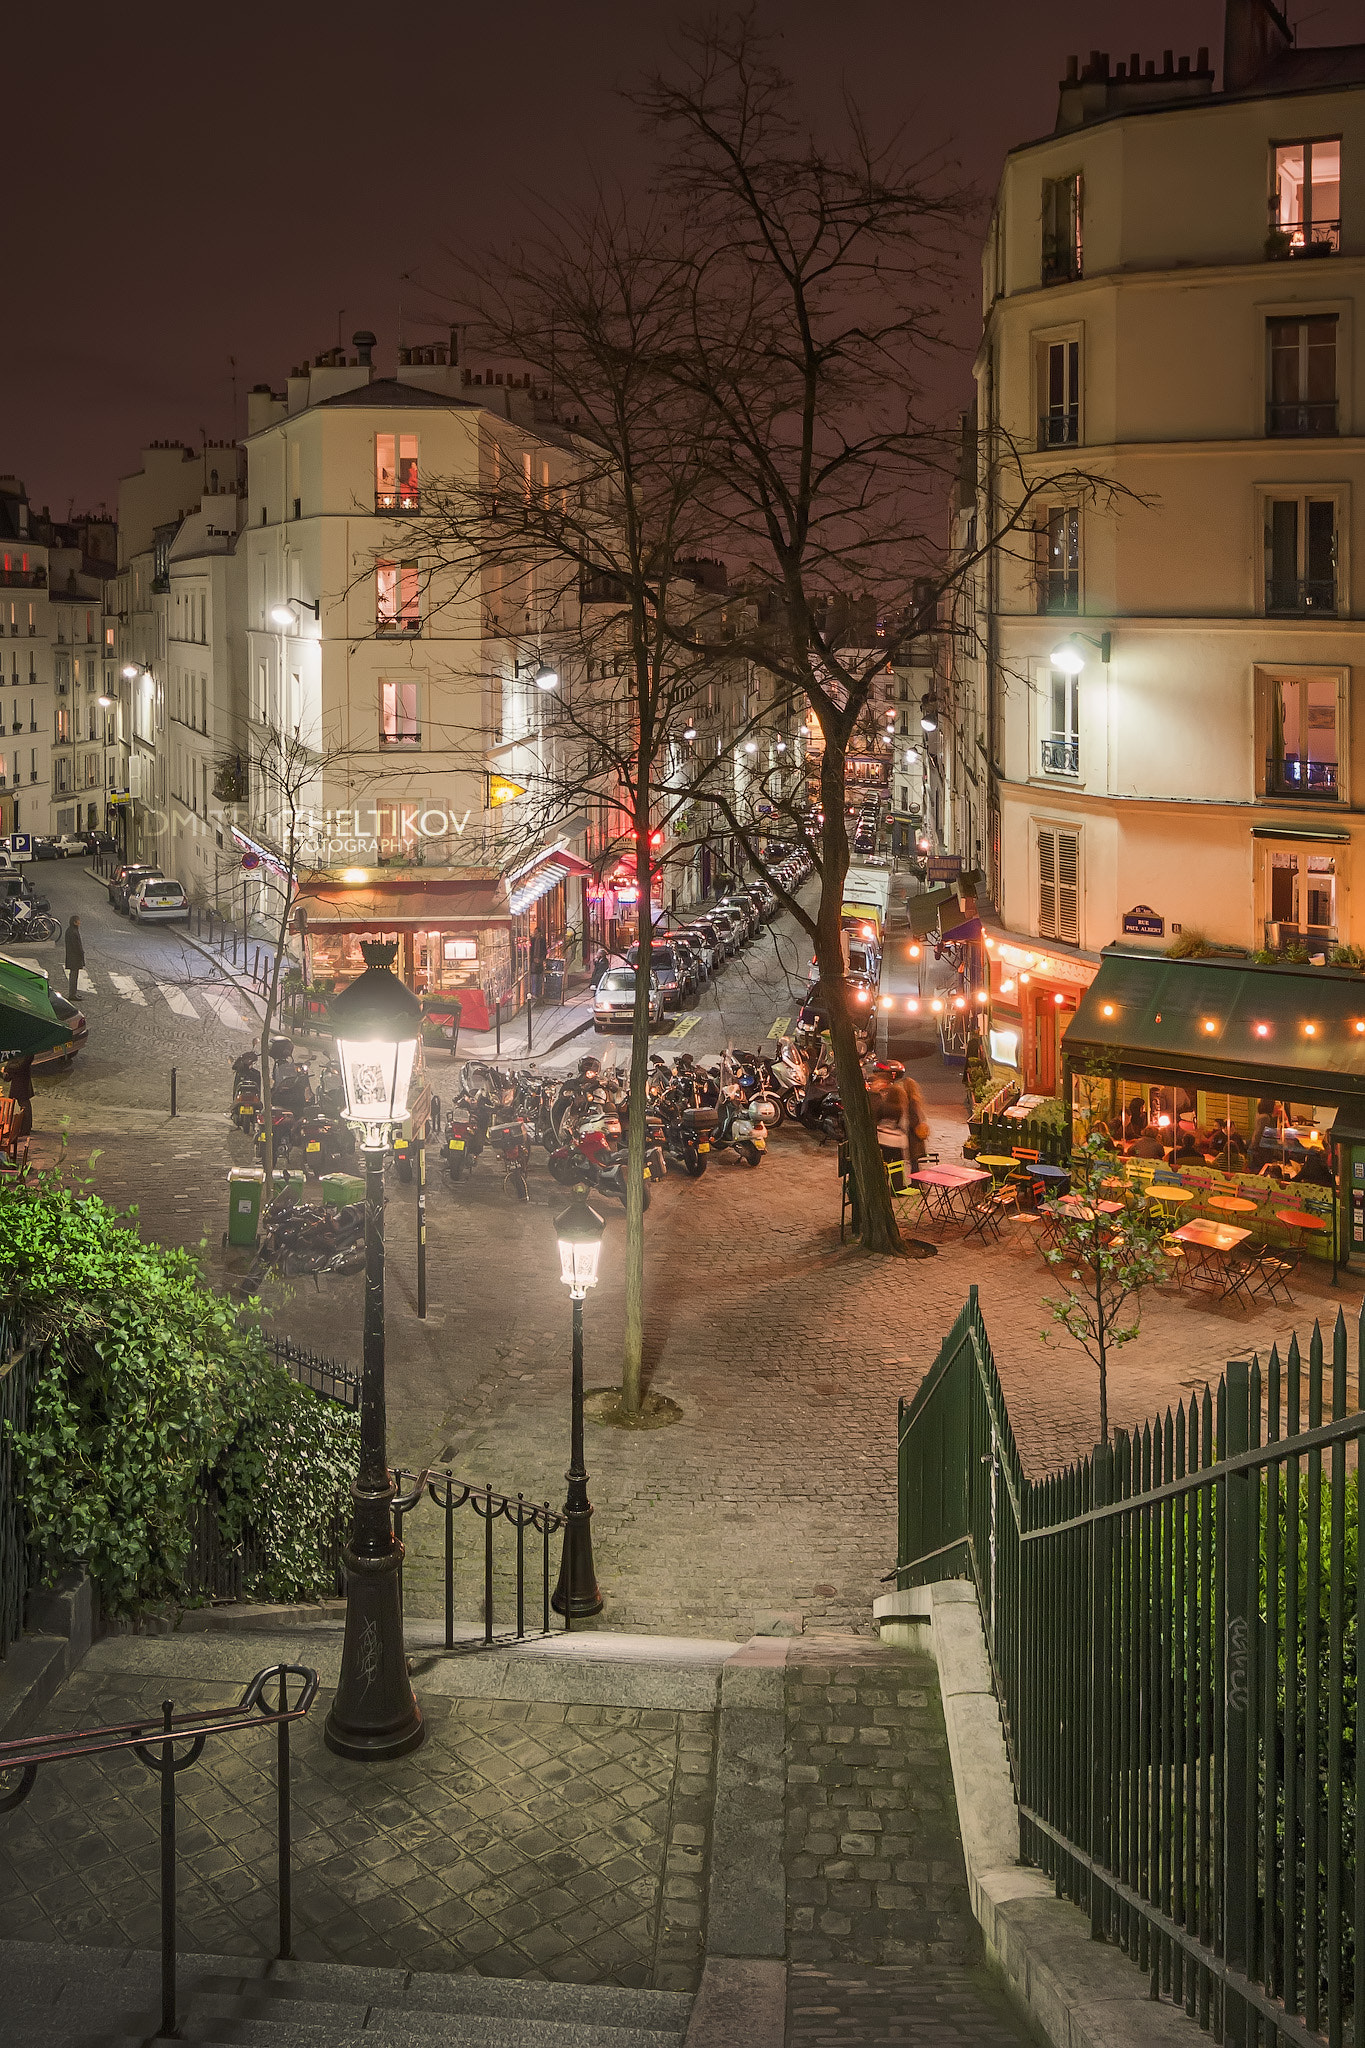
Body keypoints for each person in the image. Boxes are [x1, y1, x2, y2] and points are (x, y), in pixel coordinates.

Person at [3, 1052, 34, 1139]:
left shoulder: (27, 1053)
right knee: (23, 1103)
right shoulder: (23, 1051)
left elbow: (20, 1065)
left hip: (21, 1081)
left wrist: (7, 1068)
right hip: (18, 1079)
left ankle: (25, 1129)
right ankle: (24, 1128)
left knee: (24, 1103)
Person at [64, 916, 84, 1002]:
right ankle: (72, 994)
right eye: (78, 921)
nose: (80, 922)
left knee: (74, 975)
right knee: (74, 976)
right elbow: (76, 945)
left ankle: (73, 993)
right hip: (74, 957)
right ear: (75, 922)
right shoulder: (73, 932)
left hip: (72, 956)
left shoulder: (71, 930)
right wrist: (81, 953)